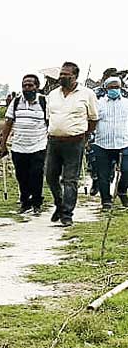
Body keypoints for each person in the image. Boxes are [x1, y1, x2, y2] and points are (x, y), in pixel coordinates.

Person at [46, 62, 99, 226]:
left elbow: (93, 119)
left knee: (70, 179)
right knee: (50, 176)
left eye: (66, 74)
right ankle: (59, 203)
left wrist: (85, 137)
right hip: (54, 141)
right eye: (61, 74)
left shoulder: (87, 94)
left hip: (74, 142)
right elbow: (49, 117)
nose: (62, 77)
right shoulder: (52, 94)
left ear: (75, 76)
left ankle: (67, 214)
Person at [0, 74, 48, 215]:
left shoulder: (44, 102)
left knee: (36, 175)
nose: (27, 88)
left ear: (37, 87)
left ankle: (37, 203)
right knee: (21, 176)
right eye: (24, 85)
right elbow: (8, 123)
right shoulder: (16, 102)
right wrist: (3, 144)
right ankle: (25, 202)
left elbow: (49, 123)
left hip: (38, 145)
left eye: (30, 85)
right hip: (18, 146)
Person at [90, 77, 128, 209]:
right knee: (103, 174)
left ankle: (122, 190)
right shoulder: (98, 104)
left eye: (116, 87)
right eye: (111, 88)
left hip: (123, 143)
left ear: (121, 88)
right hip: (102, 144)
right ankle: (106, 200)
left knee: (126, 170)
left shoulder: (126, 103)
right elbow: (92, 120)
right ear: (106, 89)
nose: (114, 90)